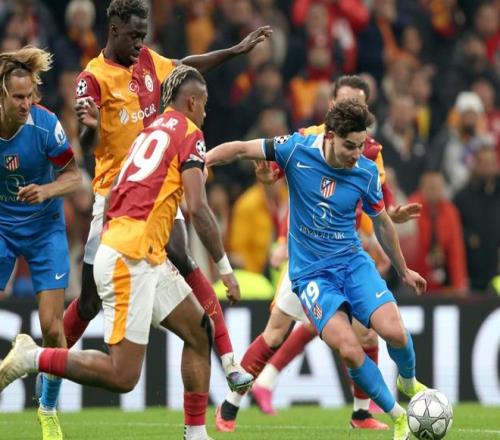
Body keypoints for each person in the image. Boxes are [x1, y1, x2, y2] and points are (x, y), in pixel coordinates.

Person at [0, 65, 237, 440]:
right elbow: (198, 208)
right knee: (123, 376)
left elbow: (115, 195)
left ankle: (195, 434)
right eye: (204, 104)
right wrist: (225, 268)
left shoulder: (148, 133)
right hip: (130, 258)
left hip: (135, 249)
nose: (206, 112)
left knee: (198, 331)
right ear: (191, 102)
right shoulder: (189, 133)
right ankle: (31, 357)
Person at [65, 0, 271, 390]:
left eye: (144, 35)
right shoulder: (92, 78)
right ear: (113, 30)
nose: (139, 43)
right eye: (133, 35)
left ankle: (229, 361)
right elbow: (87, 143)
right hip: (114, 195)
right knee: (89, 302)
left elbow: (186, 69)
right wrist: (89, 128)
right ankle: (47, 382)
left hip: (158, 188)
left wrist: (234, 51)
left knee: (183, 255)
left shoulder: (148, 62)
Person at [206, 100, 428, 440]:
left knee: (394, 333)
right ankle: (398, 417)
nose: (357, 154)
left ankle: (407, 384)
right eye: (350, 146)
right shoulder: (297, 148)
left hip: (352, 263)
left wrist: (404, 270)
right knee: (335, 345)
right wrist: (202, 160)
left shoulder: (366, 169)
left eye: (361, 145)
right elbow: (240, 149)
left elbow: (381, 221)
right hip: (311, 274)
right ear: (330, 135)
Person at [0, 46, 82, 440]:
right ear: (2, 95)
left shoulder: (46, 125)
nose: (25, 104)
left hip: (45, 227)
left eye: (30, 96)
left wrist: (46, 190)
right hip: (2, 226)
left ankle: (47, 410)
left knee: (52, 327)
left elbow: (74, 176)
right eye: (18, 97)